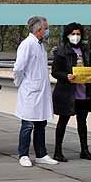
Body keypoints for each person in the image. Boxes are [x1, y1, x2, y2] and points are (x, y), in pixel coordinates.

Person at [13, 16, 58, 168]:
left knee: (41, 123)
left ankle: (41, 154)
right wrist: (20, 83)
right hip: (30, 90)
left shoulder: (40, 45)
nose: (47, 31)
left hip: (41, 91)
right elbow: (19, 68)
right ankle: (23, 154)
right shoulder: (27, 44)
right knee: (28, 124)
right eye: (46, 28)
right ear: (39, 30)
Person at [51, 23, 91, 162]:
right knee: (63, 121)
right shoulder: (61, 51)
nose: (76, 37)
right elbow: (55, 71)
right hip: (67, 92)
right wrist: (66, 76)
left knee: (82, 122)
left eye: (78, 34)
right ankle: (57, 151)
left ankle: (84, 150)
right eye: (73, 34)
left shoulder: (85, 50)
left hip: (83, 91)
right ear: (67, 35)